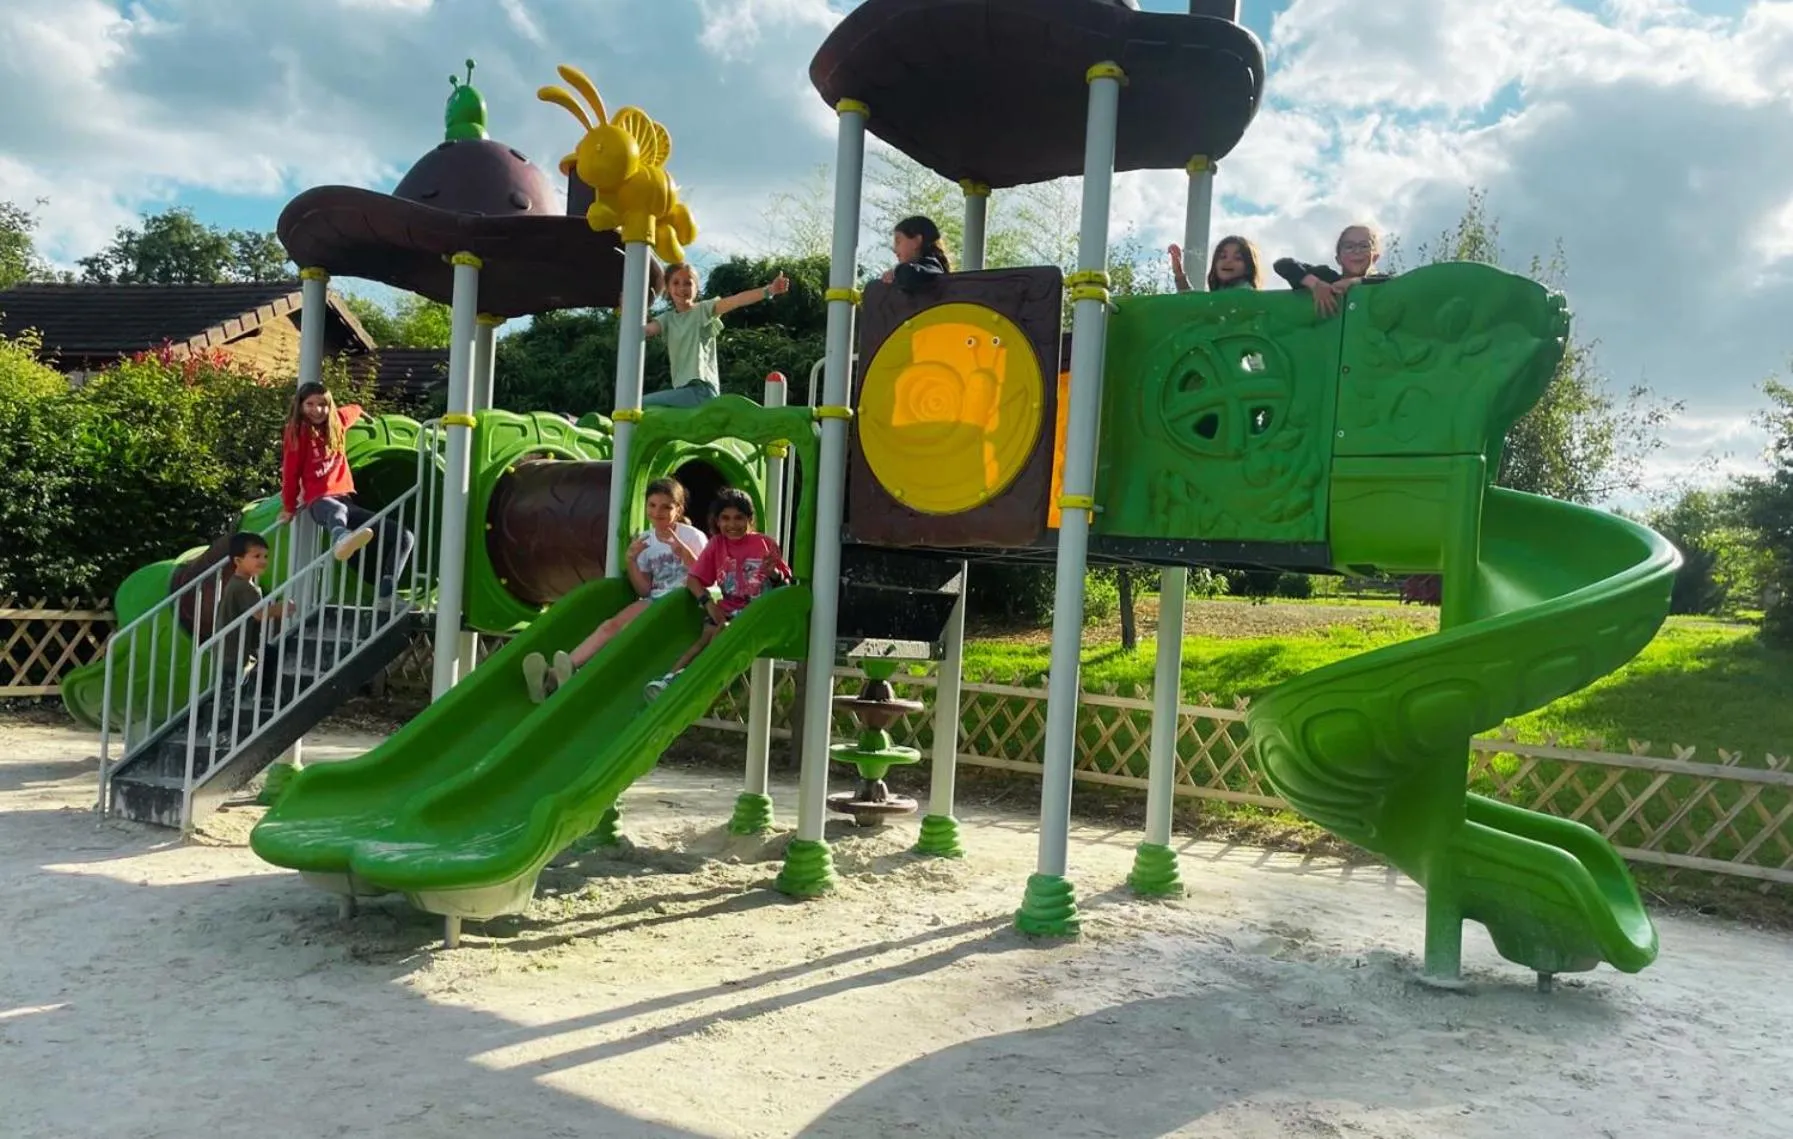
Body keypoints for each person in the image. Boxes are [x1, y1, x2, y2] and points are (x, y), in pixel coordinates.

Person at [521, 477, 708, 704]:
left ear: (678, 509)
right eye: (652, 505)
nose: (657, 512)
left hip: (685, 600)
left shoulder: (692, 536)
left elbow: (707, 578)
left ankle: (570, 677)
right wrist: (631, 560)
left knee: (629, 632)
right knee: (611, 625)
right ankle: (556, 675)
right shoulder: (645, 541)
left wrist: (687, 555)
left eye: (666, 507)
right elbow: (644, 590)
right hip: (657, 599)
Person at [644, 488, 791, 701]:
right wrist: (709, 604)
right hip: (728, 608)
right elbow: (694, 580)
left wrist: (774, 573)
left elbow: (785, 586)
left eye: (739, 518)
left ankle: (694, 677)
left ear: (749, 519)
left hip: (757, 612)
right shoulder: (717, 544)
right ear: (717, 521)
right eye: (725, 518)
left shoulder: (763, 544)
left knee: (724, 631)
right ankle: (668, 679)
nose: (732, 524)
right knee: (707, 634)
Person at [276, 381, 415, 607]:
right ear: (300, 406)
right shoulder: (297, 432)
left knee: (404, 536)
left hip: (346, 502)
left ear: (330, 406)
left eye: (322, 404)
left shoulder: (337, 422)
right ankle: (341, 538)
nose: (317, 410)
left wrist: (364, 414)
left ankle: (386, 594)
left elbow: (353, 409)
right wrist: (289, 507)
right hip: (319, 502)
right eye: (310, 404)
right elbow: (290, 472)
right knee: (337, 510)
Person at [642, 264, 790, 408]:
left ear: (696, 288)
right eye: (676, 283)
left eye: (688, 283)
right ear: (668, 288)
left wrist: (769, 290)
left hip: (701, 389)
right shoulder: (667, 319)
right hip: (683, 392)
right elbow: (646, 331)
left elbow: (737, 300)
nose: (682, 288)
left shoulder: (703, 310)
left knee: (639, 404)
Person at [213, 531, 295, 692]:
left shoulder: (237, 583)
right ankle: (262, 696)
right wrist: (281, 608)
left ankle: (262, 694)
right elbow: (259, 614)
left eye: (265, 556)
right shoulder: (245, 588)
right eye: (257, 556)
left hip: (233, 647)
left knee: (271, 656)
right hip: (235, 650)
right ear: (238, 560)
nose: (263, 561)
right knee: (233, 687)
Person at [1272, 223, 1392, 317]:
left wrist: (1354, 282)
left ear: (1375, 257)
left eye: (1364, 246)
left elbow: (1395, 283)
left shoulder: (1383, 284)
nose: (1357, 251)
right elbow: (1283, 265)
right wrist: (1315, 284)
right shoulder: (1327, 278)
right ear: (1338, 259)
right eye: (1349, 247)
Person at [1168, 235, 1264, 293]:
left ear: (1248, 268)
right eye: (1223, 256)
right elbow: (1192, 302)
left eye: (1238, 258)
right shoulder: (1219, 292)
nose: (1228, 261)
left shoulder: (1246, 291)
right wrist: (1178, 272)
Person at [881, 215, 951, 292]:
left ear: (917, 241)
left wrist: (896, 272)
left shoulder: (931, 265)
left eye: (898, 241)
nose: (894, 249)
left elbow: (909, 275)